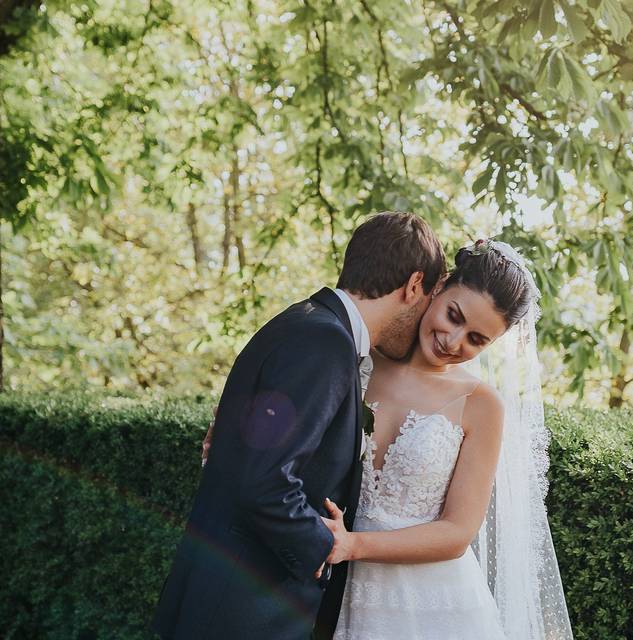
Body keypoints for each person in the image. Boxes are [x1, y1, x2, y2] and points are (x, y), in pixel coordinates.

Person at [151, 211, 446, 640]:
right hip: (242, 608)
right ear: (414, 285)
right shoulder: (324, 343)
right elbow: (265, 480)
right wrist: (322, 548)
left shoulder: (302, 322)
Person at [323, 239, 575, 639]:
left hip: (436, 606)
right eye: (453, 315)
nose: (454, 341)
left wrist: (353, 545)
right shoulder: (361, 359)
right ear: (437, 287)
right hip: (339, 591)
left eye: (477, 339)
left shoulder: (482, 405)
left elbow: (457, 532)